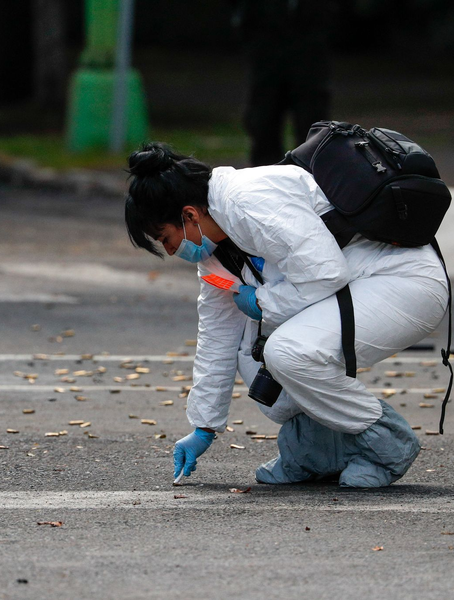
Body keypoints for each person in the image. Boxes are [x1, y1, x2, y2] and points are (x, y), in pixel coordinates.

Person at [124, 142, 448, 488]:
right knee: (256, 362)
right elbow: (217, 337)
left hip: (400, 283)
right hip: (351, 289)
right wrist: (203, 426)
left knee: (287, 354)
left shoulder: (247, 201)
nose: (172, 251)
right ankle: (313, 454)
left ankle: (387, 445)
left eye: (167, 239)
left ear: (189, 215)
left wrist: (263, 302)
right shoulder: (215, 255)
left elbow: (325, 273)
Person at [233, 0, 334, 166]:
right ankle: (265, 179)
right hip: (266, 59)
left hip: (309, 61)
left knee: (312, 125)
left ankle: (312, 174)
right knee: (264, 123)